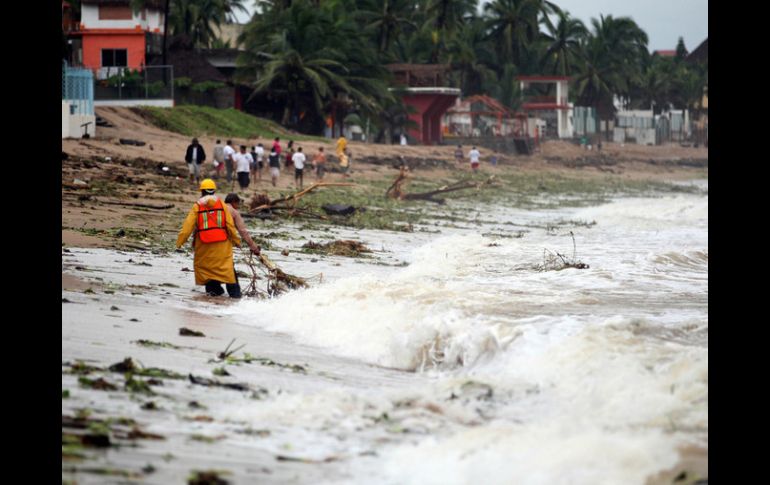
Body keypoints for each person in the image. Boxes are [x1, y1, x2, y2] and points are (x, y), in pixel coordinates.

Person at [176, 179, 242, 298]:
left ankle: (215, 294)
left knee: (207, 271)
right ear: (214, 191)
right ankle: (235, 297)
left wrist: (180, 242)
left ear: (201, 192)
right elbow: (230, 226)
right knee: (227, 270)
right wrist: (236, 241)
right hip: (222, 246)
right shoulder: (222, 205)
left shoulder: (197, 206)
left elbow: (187, 227)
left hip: (204, 245)